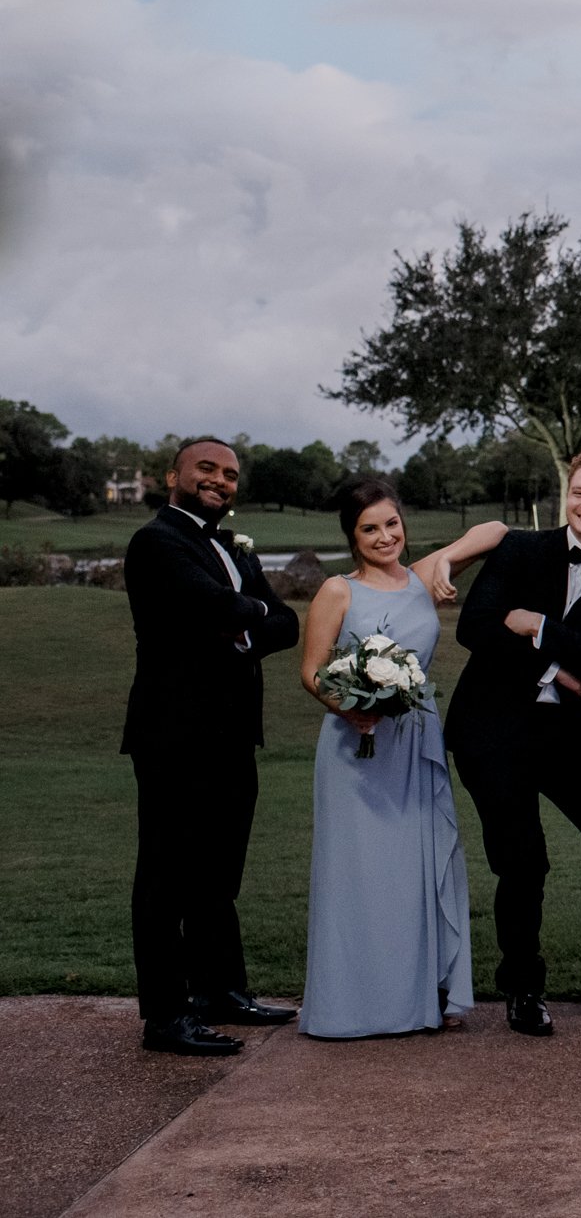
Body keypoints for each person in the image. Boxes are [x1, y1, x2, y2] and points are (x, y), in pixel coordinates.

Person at [444, 449, 581, 1037]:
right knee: (524, 858)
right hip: (491, 728)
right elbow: (474, 626)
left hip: (564, 732)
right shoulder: (520, 550)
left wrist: (539, 627)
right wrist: (554, 668)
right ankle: (523, 988)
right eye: (579, 492)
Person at [297, 478, 508, 1039]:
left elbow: (496, 531)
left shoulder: (421, 577)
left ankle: (415, 1001)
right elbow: (312, 671)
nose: (384, 536)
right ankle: (352, 1006)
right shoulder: (338, 592)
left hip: (416, 743)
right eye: (370, 528)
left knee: (411, 873)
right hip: (357, 747)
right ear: (352, 535)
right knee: (360, 875)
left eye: (392, 524)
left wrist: (450, 561)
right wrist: (352, 710)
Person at [121, 436, 301, 1056]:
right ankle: (166, 1017)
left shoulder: (229, 546)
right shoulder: (157, 541)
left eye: (230, 474)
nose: (220, 480)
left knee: (219, 875)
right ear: (173, 473)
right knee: (166, 877)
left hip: (231, 737)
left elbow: (285, 622)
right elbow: (209, 603)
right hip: (173, 734)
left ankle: (220, 992)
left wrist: (241, 625)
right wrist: (243, 609)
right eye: (207, 468)